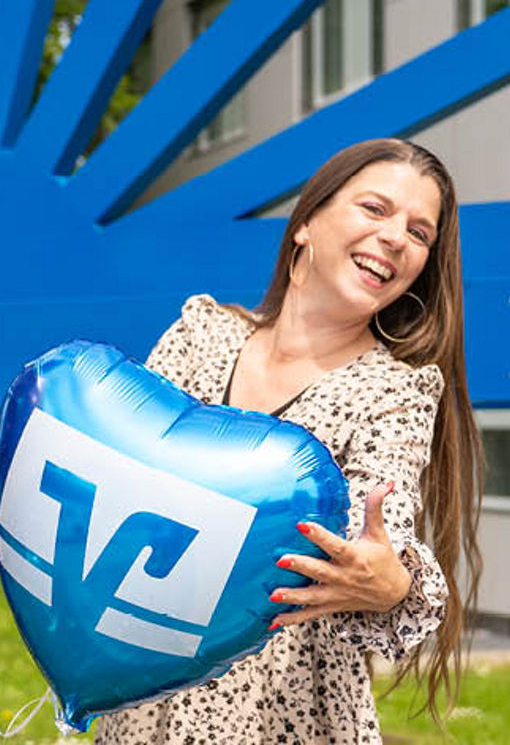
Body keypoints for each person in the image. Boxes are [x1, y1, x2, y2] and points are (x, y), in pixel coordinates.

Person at [91, 139, 484, 744]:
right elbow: (118, 478)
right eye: (375, 209)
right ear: (306, 223)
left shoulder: (395, 392)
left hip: (282, 716)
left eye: (419, 233)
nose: (396, 237)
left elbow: (385, 532)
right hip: (147, 705)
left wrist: (393, 581)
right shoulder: (201, 334)